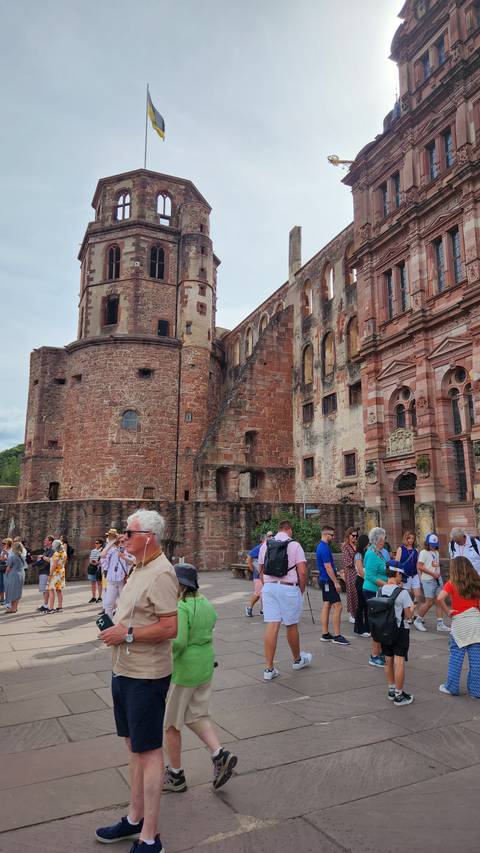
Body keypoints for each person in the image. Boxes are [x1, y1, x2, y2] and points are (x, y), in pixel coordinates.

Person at [95, 509, 178, 852]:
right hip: (124, 671)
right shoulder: (138, 567)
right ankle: (134, 819)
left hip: (146, 675)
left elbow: (170, 627)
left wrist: (125, 634)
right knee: (133, 746)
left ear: (150, 537)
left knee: (149, 751)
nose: (123, 538)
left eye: (129, 533)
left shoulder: (161, 573)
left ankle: (151, 837)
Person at [163, 563, 238, 793]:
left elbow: (179, 641)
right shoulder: (204, 601)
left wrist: (161, 647)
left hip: (185, 670)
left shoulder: (181, 606)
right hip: (205, 665)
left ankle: (175, 775)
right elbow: (213, 620)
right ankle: (219, 754)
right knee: (196, 715)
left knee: (171, 725)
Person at [258, 519, 313, 680]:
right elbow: (302, 571)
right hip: (289, 587)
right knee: (291, 624)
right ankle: (297, 660)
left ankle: (269, 669)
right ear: (289, 529)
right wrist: (301, 589)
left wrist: (266, 584)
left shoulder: (265, 545)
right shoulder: (295, 545)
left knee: (272, 624)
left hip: (269, 587)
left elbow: (260, 569)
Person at [437, 556, 480, 697]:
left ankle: (452, 687)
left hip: (460, 622)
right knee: (476, 660)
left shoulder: (452, 583)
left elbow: (439, 598)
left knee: (456, 656)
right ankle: (476, 690)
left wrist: (448, 611)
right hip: (475, 622)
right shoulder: (477, 582)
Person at [378, 565, 414, 706]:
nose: (401, 578)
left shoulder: (379, 591)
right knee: (399, 661)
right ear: (397, 573)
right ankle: (399, 695)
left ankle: (391, 689)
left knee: (388, 659)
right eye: (401, 575)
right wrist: (412, 608)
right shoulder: (403, 593)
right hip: (400, 630)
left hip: (383, 630)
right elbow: (409, 616)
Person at [316, 524, 350, 645]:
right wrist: (336, 582)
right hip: (328, 581)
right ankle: (337, 635)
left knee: (327, 605)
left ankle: (325, 634)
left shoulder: (320, 546)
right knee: (338, 606)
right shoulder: (324, 548)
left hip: (324, 580)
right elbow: (328, 567)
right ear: (326, 534)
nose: (333, 537)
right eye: (332, 535)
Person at [414, 533, 450, 633]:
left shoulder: (436, 552)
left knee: (439, 600)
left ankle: (440, 623)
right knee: (429, 602)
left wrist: (437, 574)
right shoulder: (423, 552)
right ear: (427, 543)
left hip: (437, 579)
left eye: (435, 544)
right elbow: (420, 566)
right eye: (432, 544)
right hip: (428, 580)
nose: (434, 546)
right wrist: (432, 574)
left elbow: (435, 565)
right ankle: (418, 620)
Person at [363, 527, 389, 667]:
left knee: (381, 624)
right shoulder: (372, 553)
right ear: (379, 539)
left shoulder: (377, 552)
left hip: (378, 591)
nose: (385, 540)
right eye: (384, 538)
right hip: (372, 592)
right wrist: (387, 585)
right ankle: (374, 655)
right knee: (377, 625)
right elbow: (370, 576)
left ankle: (379, 652)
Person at [103, 537, 135, 618]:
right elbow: (102, 555)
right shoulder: (113, 551)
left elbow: (134, 561)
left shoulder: (129, 552)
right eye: (119, 541)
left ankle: (122, 624)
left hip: (123, 582)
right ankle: (109, 625)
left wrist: (124, 557)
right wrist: (111, 542)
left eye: (123, 541)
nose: (121, 543)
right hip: (112, 582)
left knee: (125, 604)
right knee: (108, 604)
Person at [245, 532, 271, 617]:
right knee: (258, 593)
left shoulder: (269, 547)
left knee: (265, 593)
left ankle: (263, 609)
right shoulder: (259, 547)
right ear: (263, 540)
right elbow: (249, 557)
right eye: (268, 537)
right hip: (258, 574)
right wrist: (252, 569)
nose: (270, 538)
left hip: (265, 574)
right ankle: (249, 607)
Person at [395, 531, 421, 617]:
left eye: (412, 538)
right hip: (405, 576)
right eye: (409, 538)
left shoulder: (416, 550)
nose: (411, 540)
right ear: (405, 538)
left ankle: (415, 612)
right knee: (406, 596)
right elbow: (397, 564)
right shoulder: (401, 549)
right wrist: (398, 578)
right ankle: (407, 614)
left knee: (418, 595)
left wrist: (420, 577)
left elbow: (417, 564)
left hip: (415, 575)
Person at [353, 533, 370, 637]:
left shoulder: (365, 552)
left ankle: (367, 627)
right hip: (361, 580)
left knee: (366, 605)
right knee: (361, 605)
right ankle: (359, 628)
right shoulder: (358, 554)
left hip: (365, 579)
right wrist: (369, 579)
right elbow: (360, 570)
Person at [341, 528, 358, 624]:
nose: (354, 537)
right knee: (352, 592)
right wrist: (357, 562)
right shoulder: (345, 546)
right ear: (348, 535)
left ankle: (357, 613)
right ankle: (352, 614)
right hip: (350, 572)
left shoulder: (356, 545)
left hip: (358, 572)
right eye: (353, 535)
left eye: (356, 536)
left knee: (358, 592)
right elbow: (347, 561)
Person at [3, 541, 26, 614]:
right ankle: (15, 608)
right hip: (21, 574)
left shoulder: (12, 557)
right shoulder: (22, 556)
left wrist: (6, 573)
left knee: (12, 592)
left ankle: (12, 609)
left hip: (13, 575)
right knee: (17, 592)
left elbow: (8, 568)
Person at [34, 535, 54, 612]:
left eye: (46, 540)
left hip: (46, 571)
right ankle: (45, 604)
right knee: (44, 590)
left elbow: (51, 560)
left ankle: (45, 605)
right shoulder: (46, 550)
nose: (44, 541)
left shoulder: (52, 550)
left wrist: (42, 557)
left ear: (50, 542)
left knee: (46, 589)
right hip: (43, 571)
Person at [46, 539, 67, 613]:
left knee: (51, 590)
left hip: (55, 573)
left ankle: (51, 608)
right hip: (61, 573)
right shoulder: (64, 553)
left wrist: (50, 574)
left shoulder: (56, 554)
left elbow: (54, 565)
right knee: (59, 590)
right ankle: (60, 606)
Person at [87, 538, 104, 604]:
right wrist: (93, 562)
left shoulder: (102, 551)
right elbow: (90, 559)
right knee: (92, 582)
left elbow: (102, 559)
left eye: (97, 543)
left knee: (99, 583)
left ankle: (100, 597)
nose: (95, 544)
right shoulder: (93, 551)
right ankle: (93, 597)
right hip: (92, 567)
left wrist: (97, 563)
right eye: (95, 543)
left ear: (100, 544)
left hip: (99, 568)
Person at [0, 538, 12, 606]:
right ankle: (2, 599)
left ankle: (8, 600)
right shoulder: (3, 551)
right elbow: (1, 559)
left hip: (8, 569)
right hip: (2, 568)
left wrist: (6, 554)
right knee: (1, 585)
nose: (3, 545)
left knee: (7, 585)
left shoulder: (11, 550)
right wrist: (3, 554)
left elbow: (11, 559)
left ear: (8, 544)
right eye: (2, 544)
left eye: (4, 544)